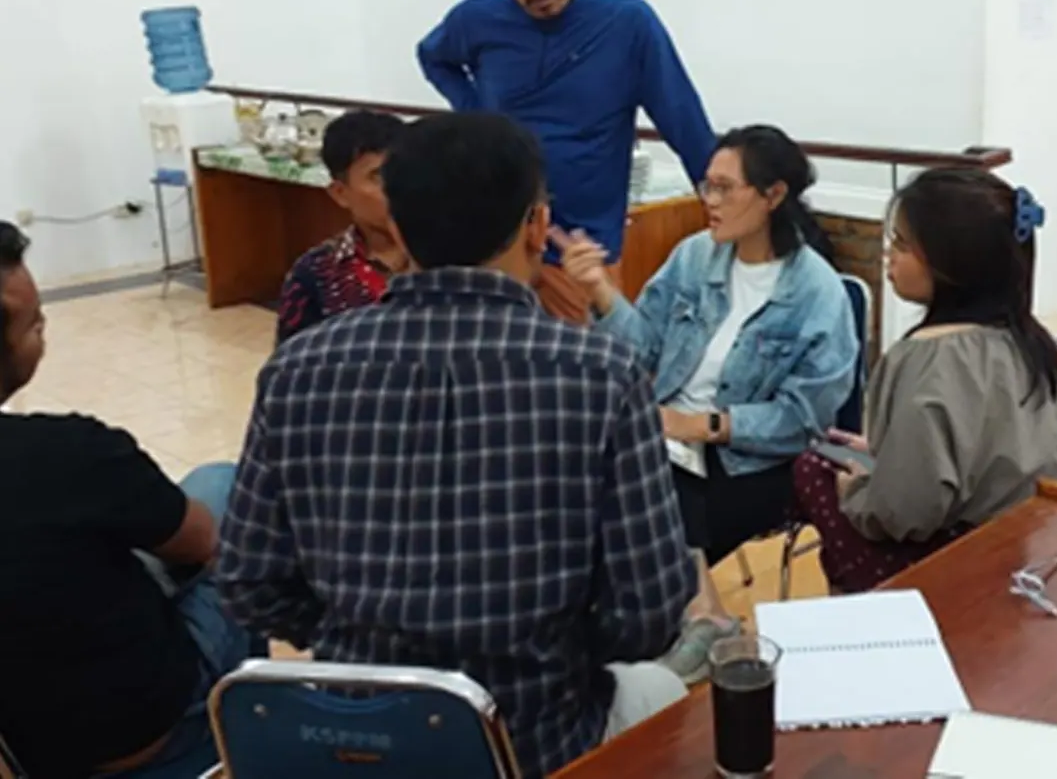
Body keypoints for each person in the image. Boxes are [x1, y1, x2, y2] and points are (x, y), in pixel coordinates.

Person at [218, 113, 702, 779]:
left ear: (399, 226)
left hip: (352, 741)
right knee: (665, 689)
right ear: (536, 226)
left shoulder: (297, 368)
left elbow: (249, 583)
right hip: (537, 742)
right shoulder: (603, 376)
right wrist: (549, 651)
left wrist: (356, 638)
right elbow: (646, 615)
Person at [0, 221, 256, 778]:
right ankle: (239, 729)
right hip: (143, 730)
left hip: (23, 744)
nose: (42, 333)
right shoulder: (68, 452)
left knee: (206, 485)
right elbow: (201, 542)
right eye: (33, 323)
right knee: (228, 503)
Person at [555, 125, 859, 568]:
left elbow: (803, 418)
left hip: (747, 461)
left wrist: (700, 425)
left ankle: (688, 606)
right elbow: (641, 354)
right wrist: (600, 290)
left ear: (772, 195)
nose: (709, 201)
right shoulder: (695, 256)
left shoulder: (816, 292)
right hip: (667, 436)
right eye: (707, 186)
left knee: (645, 502)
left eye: (724, 188)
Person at [417, 0, 716, 324]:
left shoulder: (627, 23)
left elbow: (684, 122)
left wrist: (726, 212)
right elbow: (433, 56)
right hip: (500, 243)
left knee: (584, 376)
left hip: (582, 252)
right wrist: (478, 115)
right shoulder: (476, 20)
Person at [792, 169, 1057, 593]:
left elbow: (904, 514)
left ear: (953, 264)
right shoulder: (1033, 340)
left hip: (960, 567)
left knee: (813, 468)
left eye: (902, 245)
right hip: (1038, 545)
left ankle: (863, 608)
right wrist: (888, 455)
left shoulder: (927, 358)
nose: (887, 255)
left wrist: (856, 490)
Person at [276, 109, 408, 344]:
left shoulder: (452, 256)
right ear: (340, 193)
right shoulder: (315, 273)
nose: (398, 188)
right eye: (377, 177)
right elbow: (290, 366)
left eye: (404, 172)